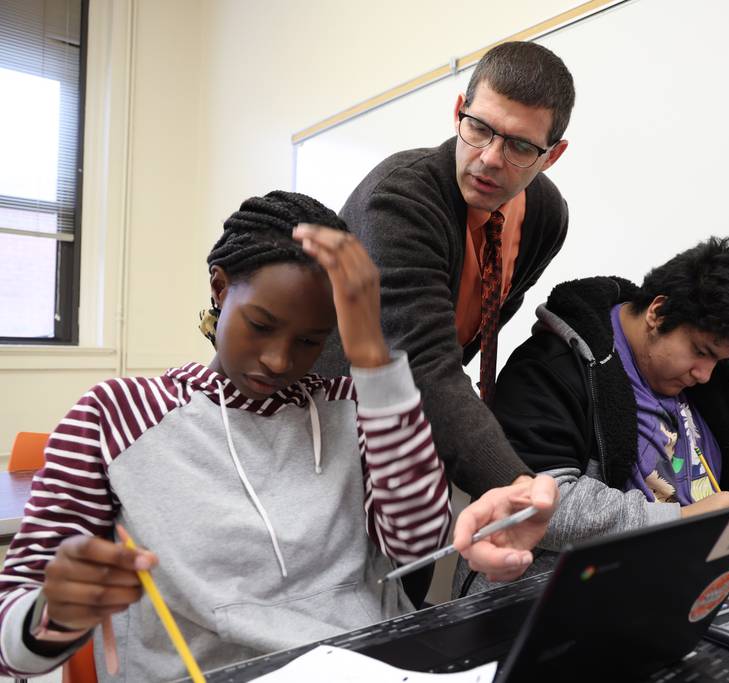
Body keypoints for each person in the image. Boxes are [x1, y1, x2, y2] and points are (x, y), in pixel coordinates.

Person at [0, 192, 553, 681]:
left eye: (312, 340)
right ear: (219, 287)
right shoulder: (114, 417)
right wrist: (57, 608)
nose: (278, 359)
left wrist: (370, 354)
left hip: (372, 663)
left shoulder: (355, 406)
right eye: (260, 325)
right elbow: (13, 647)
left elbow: (417, 543)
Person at [455, 236, 729, 596]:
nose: (706, 374)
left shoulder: (709, 372)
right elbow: (546, 508)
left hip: (692, 580)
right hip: (568, 592)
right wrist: (684, 520)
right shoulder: (549, 369)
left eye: (719, 360)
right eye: (701, 353)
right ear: (657, 312)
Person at [314, 41, 574, 501]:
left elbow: (473, 333)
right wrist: (515, 484)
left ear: (551, 156)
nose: (491, 158)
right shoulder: (400, 200)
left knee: (414, 560)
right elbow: (424, 362)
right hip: (329, 422)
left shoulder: (546, 217)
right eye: (479, 128)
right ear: (459, 111)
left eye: (519, 146)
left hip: (416, 426)